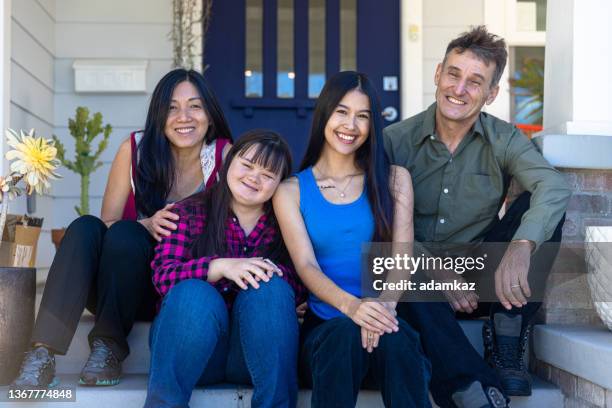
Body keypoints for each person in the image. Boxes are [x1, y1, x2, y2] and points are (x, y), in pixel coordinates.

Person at [383, 26, 571, 408]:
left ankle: (507, 334)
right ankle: (472, 386)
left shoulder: (503, 138)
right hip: (409, 269)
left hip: (476, 275)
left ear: (491, 94)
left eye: (475, 82)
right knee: (402, 272)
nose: (459, 89)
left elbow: (553, 187)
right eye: (453, 74)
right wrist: (437, 272)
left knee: (541, 210)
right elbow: (376, 220)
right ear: (438, 74)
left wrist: (521, 245)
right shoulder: (394, 141)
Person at [12, 68, 233, 388]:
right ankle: (41, 353)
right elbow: (107, 225)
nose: (183, 116)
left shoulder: (226, 156)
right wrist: (147, 224)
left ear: (210, 115)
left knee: (127, 232)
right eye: (171, 107)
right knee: (89, 226)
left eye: (195, 106)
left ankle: (109, 347)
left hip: (177, 287)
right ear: (159, 115)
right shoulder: (135, 149)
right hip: (119, 285)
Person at [274, 71, 432, 408]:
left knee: (400, 340)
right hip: (325, 336)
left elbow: (402, 258)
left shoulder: (394, 180)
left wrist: (383, 309)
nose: (351, 125)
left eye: (363, 116)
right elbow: (305, 264)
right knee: (344, 334)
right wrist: (353, 308)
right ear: (324, 115)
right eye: (342, 112)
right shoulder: (291, 190)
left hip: (384, 321)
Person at [144, 130, 305, 408]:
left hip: (255, 353)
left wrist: (269, 275)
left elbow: (303, 281)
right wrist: (219, 267)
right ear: (229, 162)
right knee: (194, 293)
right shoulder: (188, 212)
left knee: (270, 285)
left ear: (280, 184)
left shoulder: (287, 223)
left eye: (268, 175)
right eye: (247, 164)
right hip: (193, 348)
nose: (254, 177)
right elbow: (163, 277)